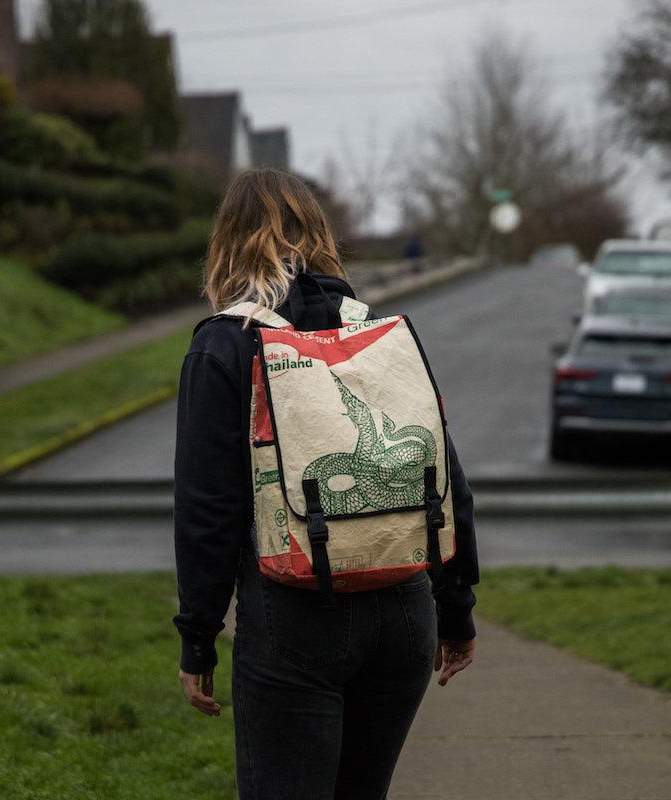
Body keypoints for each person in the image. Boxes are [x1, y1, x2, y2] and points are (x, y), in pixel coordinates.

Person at [172, 168, 480, 800]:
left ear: (226, 244)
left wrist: (198, 639)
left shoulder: (224, 346)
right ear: (318, 235)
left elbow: (208, 511)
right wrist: (457, 610)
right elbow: (445, 478)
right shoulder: (376, 331)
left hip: (294, 612)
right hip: (403, 608)